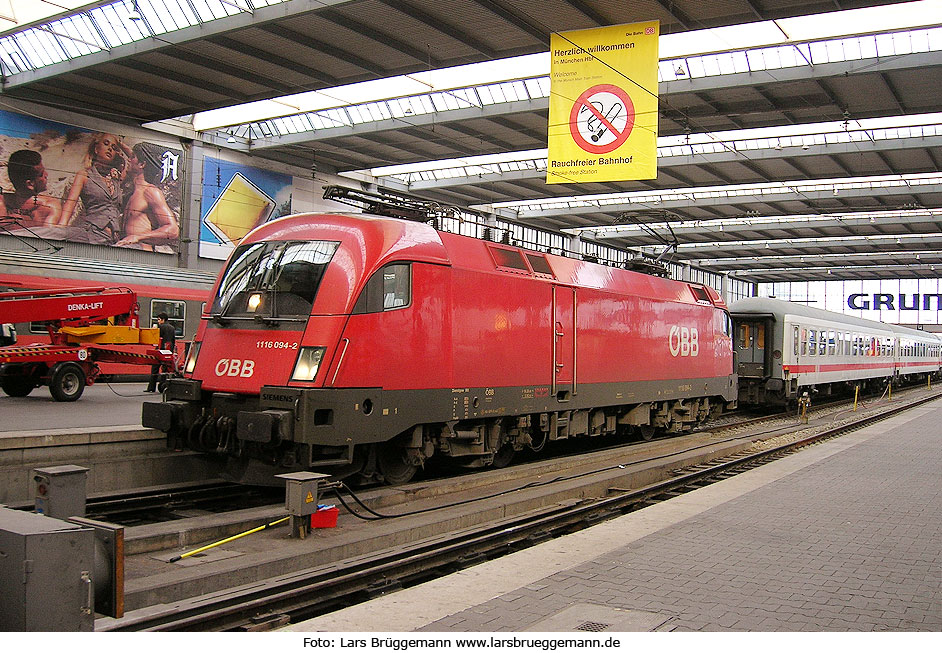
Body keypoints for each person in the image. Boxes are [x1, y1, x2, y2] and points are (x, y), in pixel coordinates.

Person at [58, 132, 131, 245]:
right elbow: (70, 203)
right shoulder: (84, 175)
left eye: (113, 148)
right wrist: (60, 229)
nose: (110, 149)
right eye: (106, 144)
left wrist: (120, 144)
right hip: (91, 234)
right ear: (96, 149)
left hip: (113, 240)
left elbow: (135, 158)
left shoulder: (116, 179)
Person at [116, 142, 179, 251]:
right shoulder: (131, 193)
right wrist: (119, 142)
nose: (128, 160)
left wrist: (138, 237)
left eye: (132, 157)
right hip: (125, 251)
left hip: (140, 251)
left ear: (142, 164)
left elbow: (173, 230)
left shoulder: (150, 192)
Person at [1, 149, 61, 228]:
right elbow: (49, 233)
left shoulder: (2, 201)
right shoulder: (49, 206)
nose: (46, 175)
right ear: (30, 184)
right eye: (41, 174)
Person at [145, 312, 176, 393]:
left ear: (163, 319)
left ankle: (151, 387)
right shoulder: (172, 328)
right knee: (165, 369)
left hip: (160, 350)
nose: (158, 321)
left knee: (155, 368)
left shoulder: (160, 327)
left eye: (159, 319)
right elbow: (173, 340)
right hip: (168, 351)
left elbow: (156, 338)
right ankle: (163, 385)